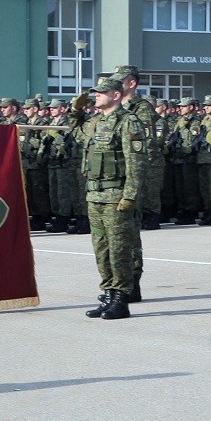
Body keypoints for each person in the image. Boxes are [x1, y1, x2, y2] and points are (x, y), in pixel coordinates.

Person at [71, 76, 145, 319]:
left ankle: (121, 298)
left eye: (102, 93)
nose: (97, 96)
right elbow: (78, 134)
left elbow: (136, 164)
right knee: (101, 248)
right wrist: (75, 112)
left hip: (116, 196)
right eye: (96, 93)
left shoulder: (128, 122)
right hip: (96, 194)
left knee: (119, 249)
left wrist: (130, 196)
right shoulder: (95, 122)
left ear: (116, 94)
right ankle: (109, 293)